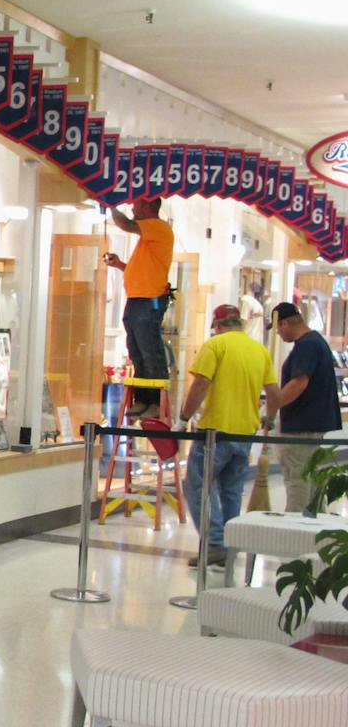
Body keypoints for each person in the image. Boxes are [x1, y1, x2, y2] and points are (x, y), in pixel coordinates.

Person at [176, 304, 278, 567]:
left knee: (197, 487)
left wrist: (184, 418)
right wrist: (269, 419)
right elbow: (273, 392)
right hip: (246, 431)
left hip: (216, 430)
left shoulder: (216, 345)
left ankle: (216, 543)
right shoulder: (259, 350)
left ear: (218, 325)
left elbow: (200, 384)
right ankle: (229, 547)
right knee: (231, 490)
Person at [105, 196, 174, 417]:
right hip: (137, 299)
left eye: (135, 204)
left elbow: (125, 224)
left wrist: (109, 203)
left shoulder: (158, 227)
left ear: (147, 206)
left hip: (149, 300)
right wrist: (120, 265)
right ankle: (143, 398)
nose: (132, 208)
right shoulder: (148, 238)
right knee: (137, 351)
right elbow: (144, 272)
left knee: (150, 351)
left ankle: (154, 402)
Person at [271, 300, 342, 512]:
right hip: (310, 425)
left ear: (285, 324)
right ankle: (310, 528)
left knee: (298, 480)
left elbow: (299, 382)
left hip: (301, 427)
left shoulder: (307, 345)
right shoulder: (315, 341)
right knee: (308, 479)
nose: (278, 335)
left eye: (277, 329)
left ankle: (296, 530)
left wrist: (274, 406)